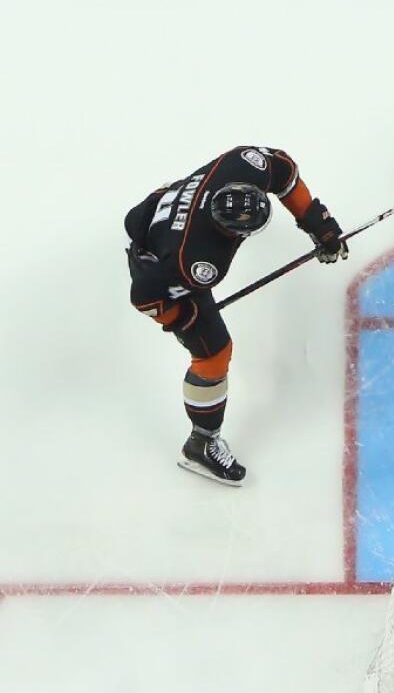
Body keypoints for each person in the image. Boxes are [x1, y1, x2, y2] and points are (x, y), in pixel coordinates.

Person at [124, 146, 348, 486]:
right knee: (214, 353)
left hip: (163, 213)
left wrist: (319, 223)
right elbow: (143, 296)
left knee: (209, 336)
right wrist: (179, 317)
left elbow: (284, 172)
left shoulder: (244, 164)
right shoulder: (198, 263)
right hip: (157, 262)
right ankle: (201, 443)